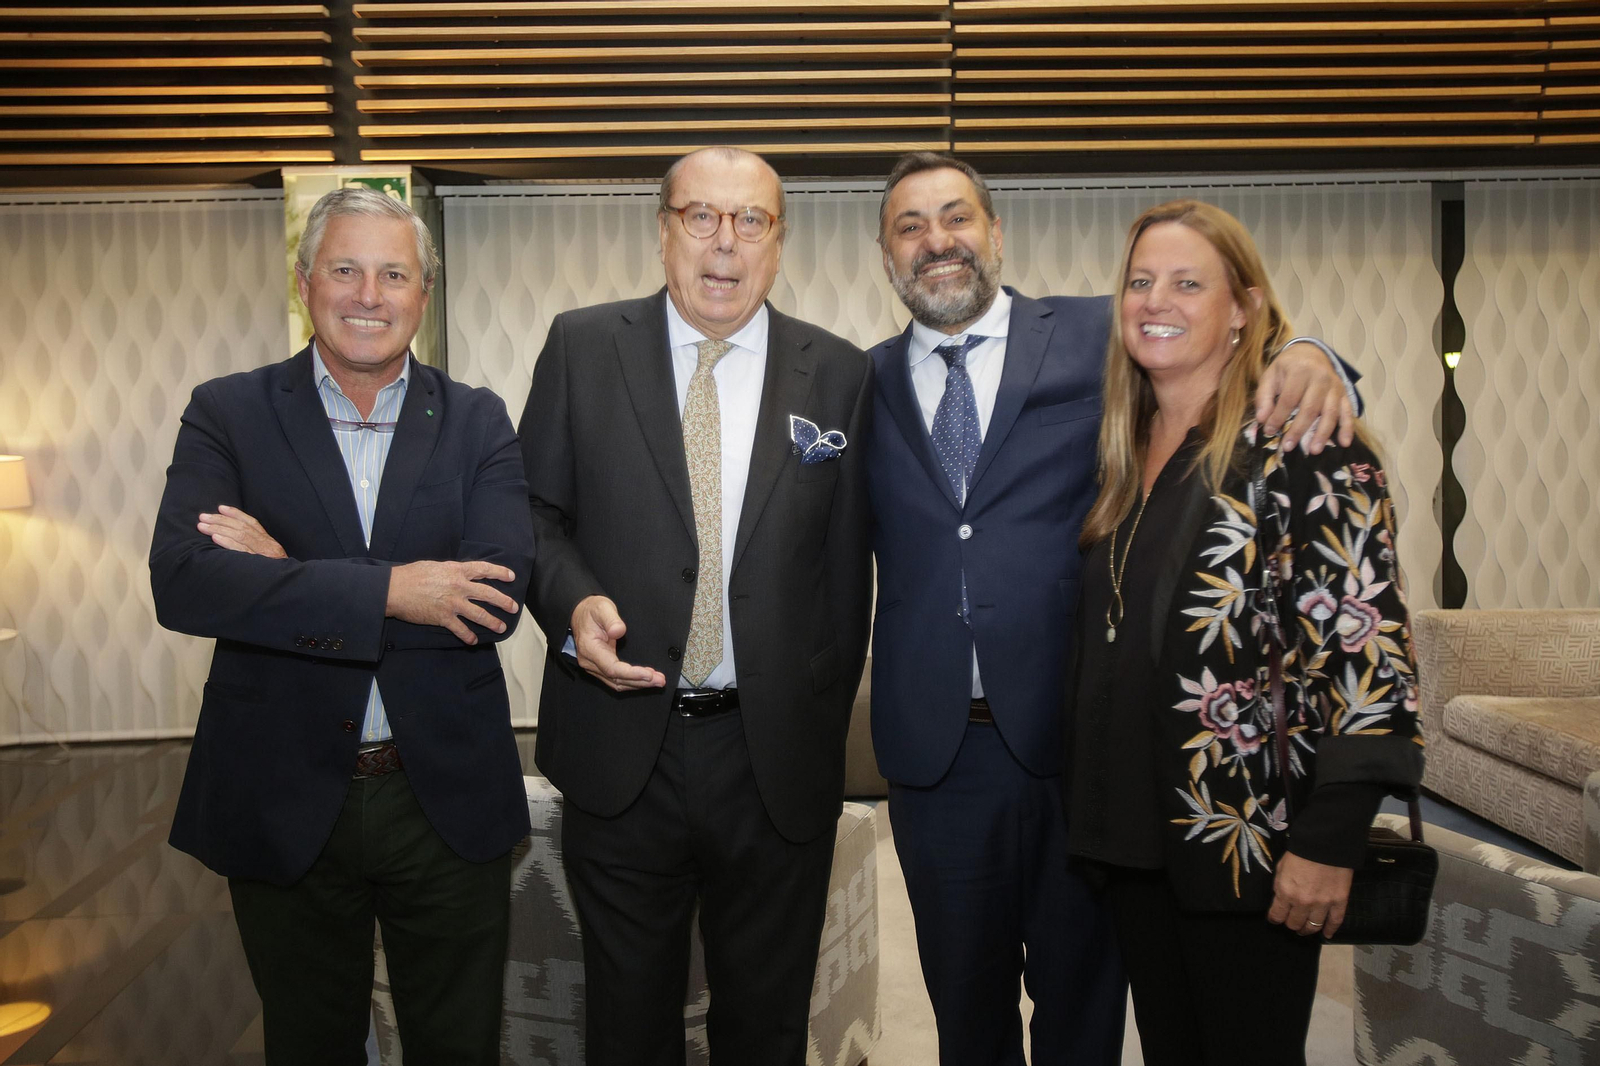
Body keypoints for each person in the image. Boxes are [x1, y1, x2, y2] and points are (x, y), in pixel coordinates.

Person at [865, 152, 1362, 1065]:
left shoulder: (1103, 331)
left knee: (1085, 1006)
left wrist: (1314, 354)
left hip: (1080, 747)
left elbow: (1225, 330)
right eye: (910, 226)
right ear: (888, 256)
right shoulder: (862, 385)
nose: (938, 241)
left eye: (957, 217)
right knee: (962, 1014)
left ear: (995, 233)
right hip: (936, 758)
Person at [149, 186, 534, 1065]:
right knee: (309, 1043)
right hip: (281, 792)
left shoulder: (477, 419)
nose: (370, 294)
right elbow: (185, 584)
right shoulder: (229, 412)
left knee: (459, 1045)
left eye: (394, 273)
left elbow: (494, 598)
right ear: (304, 281)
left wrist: (283, 574)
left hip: (443, 797)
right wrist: (396, 590)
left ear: (422, 296)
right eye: (346, 269)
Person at [517, 146, 873, 1066]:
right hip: (621, 744)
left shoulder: (837, 373)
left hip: (774, 759)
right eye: (701, 217)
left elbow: (846, 574)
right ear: (664, 230)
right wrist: (571, 602)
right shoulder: (581, 345)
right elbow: (532, 515)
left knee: (766, 1025)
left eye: (750, 220)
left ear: (780, 240)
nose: (725, 243)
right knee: (629, 1027)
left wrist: (816, 726)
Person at [1065, 199, 1424, 1066]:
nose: (1159, 300)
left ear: (1243, 308)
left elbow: (1367, 655)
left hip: (1253, 849)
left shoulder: (1306, 443)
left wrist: (1328, 843)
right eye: (1141, 282)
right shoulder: (1122, 450)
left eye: (1190, 283)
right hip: (1139, 845)